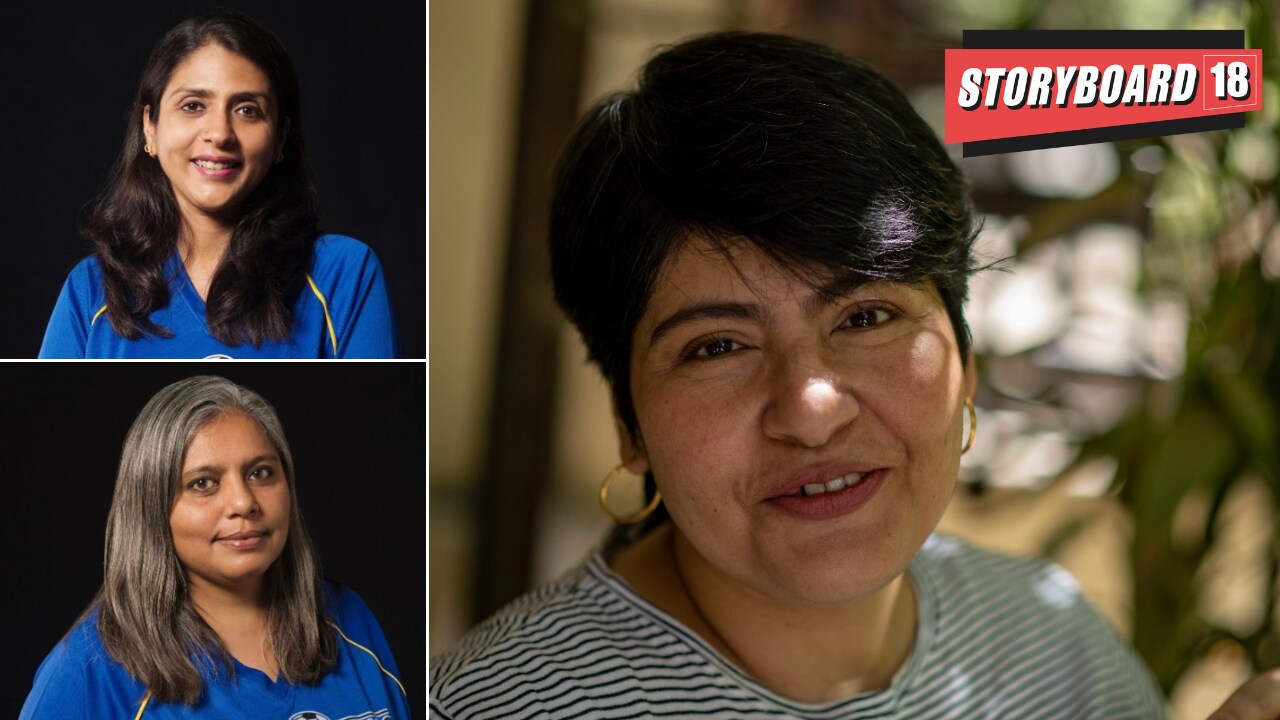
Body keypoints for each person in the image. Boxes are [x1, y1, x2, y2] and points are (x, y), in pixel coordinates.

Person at [430, 31, 1279, 719]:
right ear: (629, 426)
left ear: (965, 361)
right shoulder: (497, 704)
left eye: (866, 318)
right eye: (717, 346)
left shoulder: (1048, 644)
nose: (810, 408)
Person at [19, 375, 410, 718]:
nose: (243, 503)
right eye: (203, 483)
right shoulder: (87, 672)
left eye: (260, 473)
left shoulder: (352, 622)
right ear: (152, 508)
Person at [38, 10, 398, 358]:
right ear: (150, 125)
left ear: (280, 139)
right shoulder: (90, 290)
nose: (219, 133)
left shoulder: (343, 275)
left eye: (247, 110)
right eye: (193, 105)